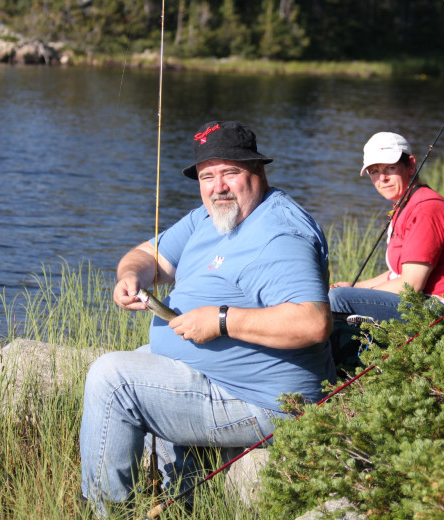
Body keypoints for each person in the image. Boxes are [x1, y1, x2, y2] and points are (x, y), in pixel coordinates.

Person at [79, 121, 335, 517]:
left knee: (111, 379)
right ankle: (182, 496)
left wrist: (220, 321)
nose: (218, 186)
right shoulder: (208, 216)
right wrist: (130, 276)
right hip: (219, 378)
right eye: (207, 176)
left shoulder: (279, 233)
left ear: (258, 172)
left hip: (265, 401)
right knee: (142, 357)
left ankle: (106, 512)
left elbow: (313, 322)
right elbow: (148, 256)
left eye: (230, 172)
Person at [328, 132, 444, 322]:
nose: (382, 178)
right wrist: (354, 288)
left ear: (411, 165)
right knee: (339, 295)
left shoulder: (426, 209)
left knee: (338, 299)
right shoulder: (406, 204)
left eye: (390, 168)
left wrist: (357, 296)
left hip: (442, 309)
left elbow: (411, 284)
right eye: (374, 171)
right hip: (422, 302)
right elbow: (398, 273)